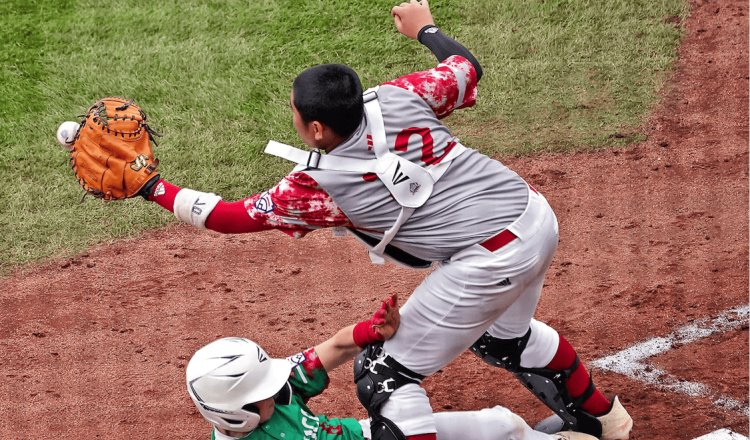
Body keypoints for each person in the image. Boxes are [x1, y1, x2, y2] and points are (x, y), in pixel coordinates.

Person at [142, 1, 633, 439]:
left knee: (382, 371)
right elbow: (464, 67)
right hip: (534, 216)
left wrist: (151, 187)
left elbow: (226, 217)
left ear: (315, 128)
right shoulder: (399, 96)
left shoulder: (314, 188)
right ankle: (602, 421)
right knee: (504, 337)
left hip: (487, 259)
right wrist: (425, 29)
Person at [186, 295, 595, 440]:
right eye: (262, 397)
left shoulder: (276, 390)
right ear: (232, 414)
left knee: (503, 425)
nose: (276, 392)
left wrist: (372, 330)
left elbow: (333, 348)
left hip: (373, 435)